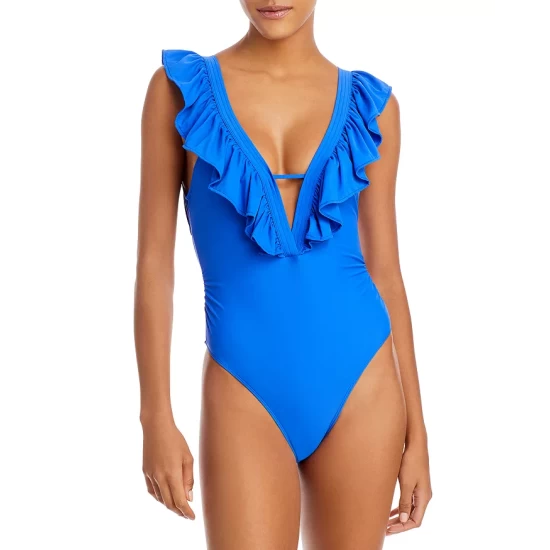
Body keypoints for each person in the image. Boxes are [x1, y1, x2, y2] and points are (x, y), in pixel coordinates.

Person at [135, 1, 432, 548]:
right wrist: (155, 415)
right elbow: (155, 264)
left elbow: (386, 273)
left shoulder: (373, 108)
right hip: (242, 388)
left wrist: (419, 434)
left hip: (363, 384)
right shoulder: (178, 93)